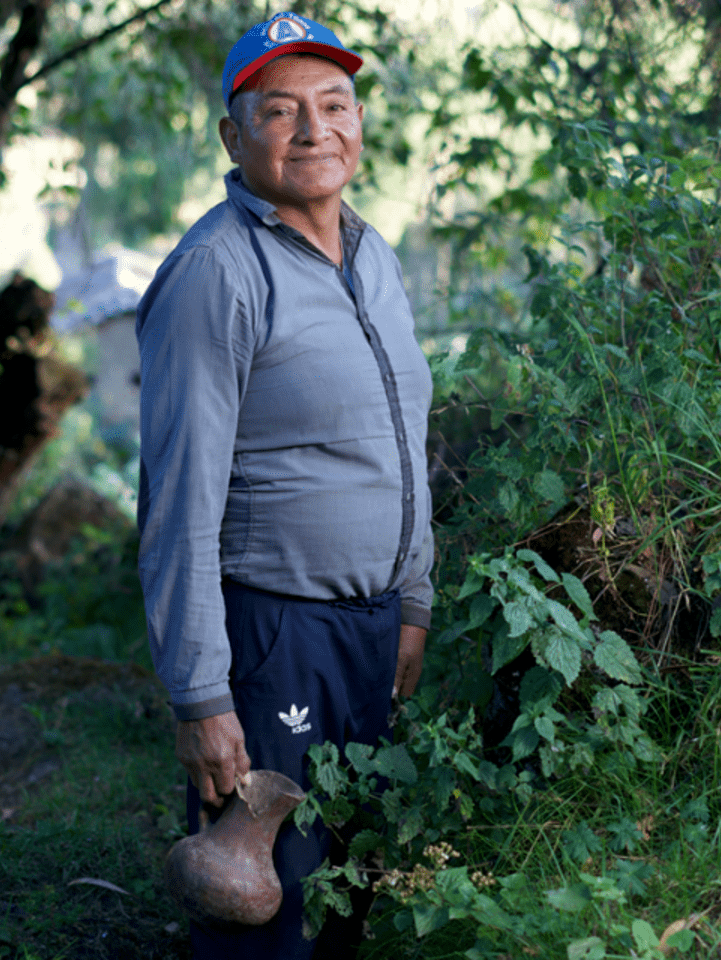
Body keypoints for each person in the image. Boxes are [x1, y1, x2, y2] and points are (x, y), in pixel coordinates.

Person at [134, 11, 434, 959]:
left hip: (371, 627)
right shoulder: (216, 273)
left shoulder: (373, 253)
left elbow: (402, 440)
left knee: (352, 892)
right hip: (275, 636)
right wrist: (200, 696)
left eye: (334, 103)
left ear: (359, 119)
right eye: (280, 111)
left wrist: (413, 601)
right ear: (234, 136)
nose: (315, 130)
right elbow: (177, 502)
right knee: (267, 910)